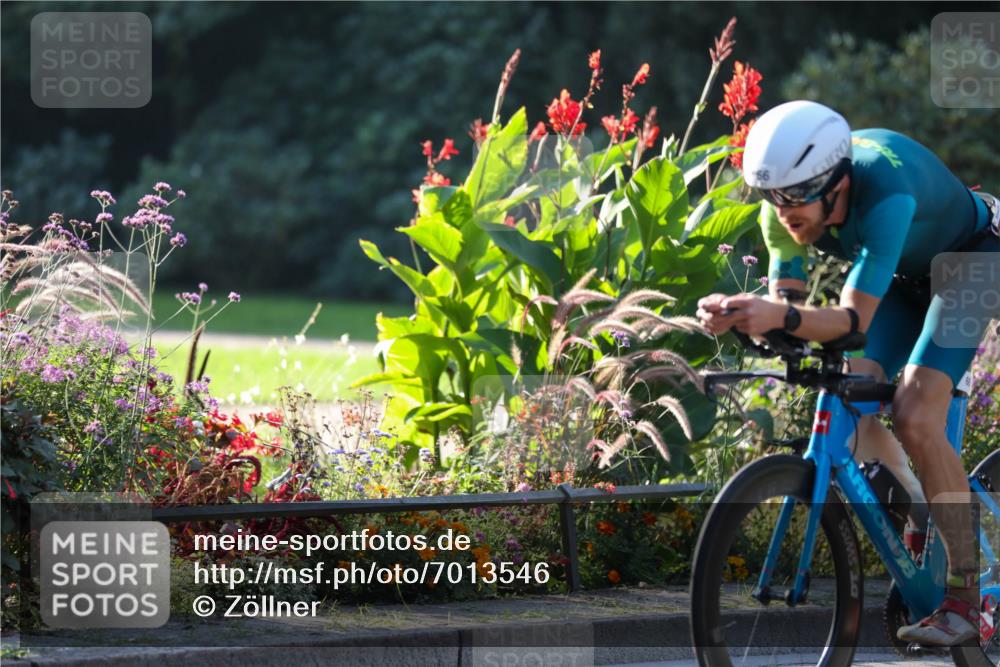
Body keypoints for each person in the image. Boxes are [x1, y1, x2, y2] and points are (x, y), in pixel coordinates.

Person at [696, 100, 1000, 647]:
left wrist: (778, 315)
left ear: (836, 182)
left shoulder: (884, 193)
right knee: (849, 400)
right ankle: (918, 501)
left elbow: (853, 320)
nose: (783, 212)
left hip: (973, 260)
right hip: (908, 275)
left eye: (795, 196)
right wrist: (740, 316)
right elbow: (788, 314)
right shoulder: (781, 211)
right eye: (771, 197)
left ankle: (966, 594)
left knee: (915, 410)